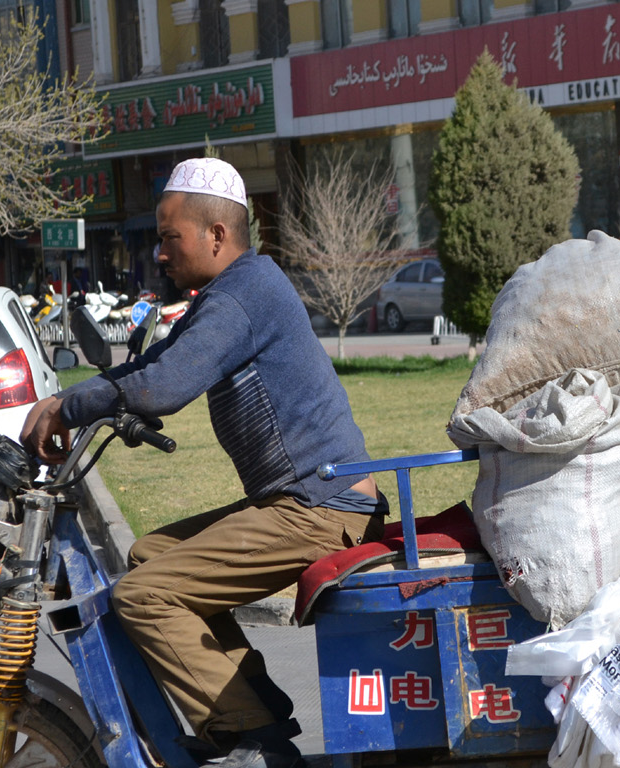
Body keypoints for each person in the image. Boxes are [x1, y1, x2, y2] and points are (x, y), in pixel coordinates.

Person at [21, 157, 386, 768]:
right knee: (148, 556)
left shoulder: (247, 293)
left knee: (144, 596)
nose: (159, 254)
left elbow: (166, 384)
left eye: (169, 239)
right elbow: (154, 363)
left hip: (321, 507)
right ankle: (256, 711)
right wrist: (71, 400)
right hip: (300, 500)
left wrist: (72, 405)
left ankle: (249, 739)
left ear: (216, 235)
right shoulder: (229, 292)